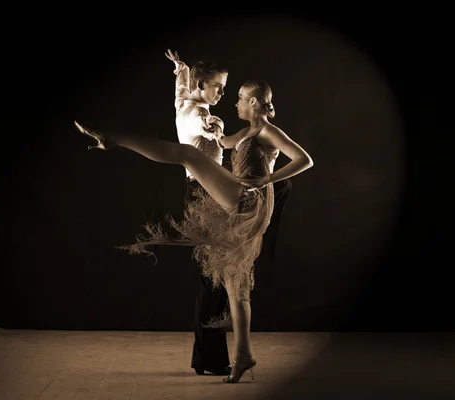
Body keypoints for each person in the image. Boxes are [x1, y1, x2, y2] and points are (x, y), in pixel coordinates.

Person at [74, 76, 314, 383]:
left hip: (249, 201)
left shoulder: (268, 131)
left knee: (186, 154)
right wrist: (217, 133)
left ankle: (113, 137)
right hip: (238, 200)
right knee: (234, 282)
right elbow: (227, 144)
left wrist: (266, 180)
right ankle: (243, 356)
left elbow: (304, 159)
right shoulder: (245, 131)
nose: (235, 101)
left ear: (254, 102)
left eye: (240, 97)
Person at [164, 49, 232, 377]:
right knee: (213, 277)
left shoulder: (184, 102)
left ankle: (206, 357)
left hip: (200, 193)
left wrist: (181, 69)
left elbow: (181, 90)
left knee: (212, 276)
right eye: (218, 86)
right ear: (203, 84)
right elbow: (202, 124)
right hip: (206, 195)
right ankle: (211, 358)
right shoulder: (197, 114)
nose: (222, 92)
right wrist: (212, 125)